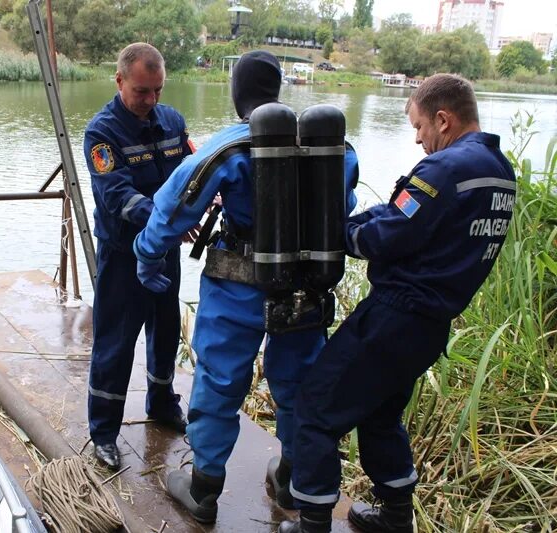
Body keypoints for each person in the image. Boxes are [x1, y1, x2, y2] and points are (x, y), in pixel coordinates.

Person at [281, 73, 517, 533]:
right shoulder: (498, 170)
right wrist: (360, 220)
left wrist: (336, 233)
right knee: (380, 413)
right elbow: (403, 215)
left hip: (396, 314)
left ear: (444, 120)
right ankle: (395, 516)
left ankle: (312, 523)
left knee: (315, 409)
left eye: (420, 127)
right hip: (431, 324)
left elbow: (387, 234)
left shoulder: (444, 169)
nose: (418, 138)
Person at [131, 51, 359, 524]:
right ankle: (294, 479)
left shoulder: (229, 147)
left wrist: (147, 255)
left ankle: (204, 488)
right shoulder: (334, 148)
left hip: (238, 284)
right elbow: (345, 203)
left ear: (237, 90)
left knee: (219, 378)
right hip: (308, 286)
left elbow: (174, 206)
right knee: (299, 381)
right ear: (277, 90)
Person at [83, 42, 193, 471]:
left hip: (165, 252)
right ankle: (104, 432)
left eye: (157, 91)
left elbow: (190, 175)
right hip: (122, 255)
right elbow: (117, 197)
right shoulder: (102, 133)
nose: (150, 101)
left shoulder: (172, 122)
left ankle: (162, 402)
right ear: (120, 81)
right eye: (141, 91)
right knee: (115, 342)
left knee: (166, 330)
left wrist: (202, 205)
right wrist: (168, 221)